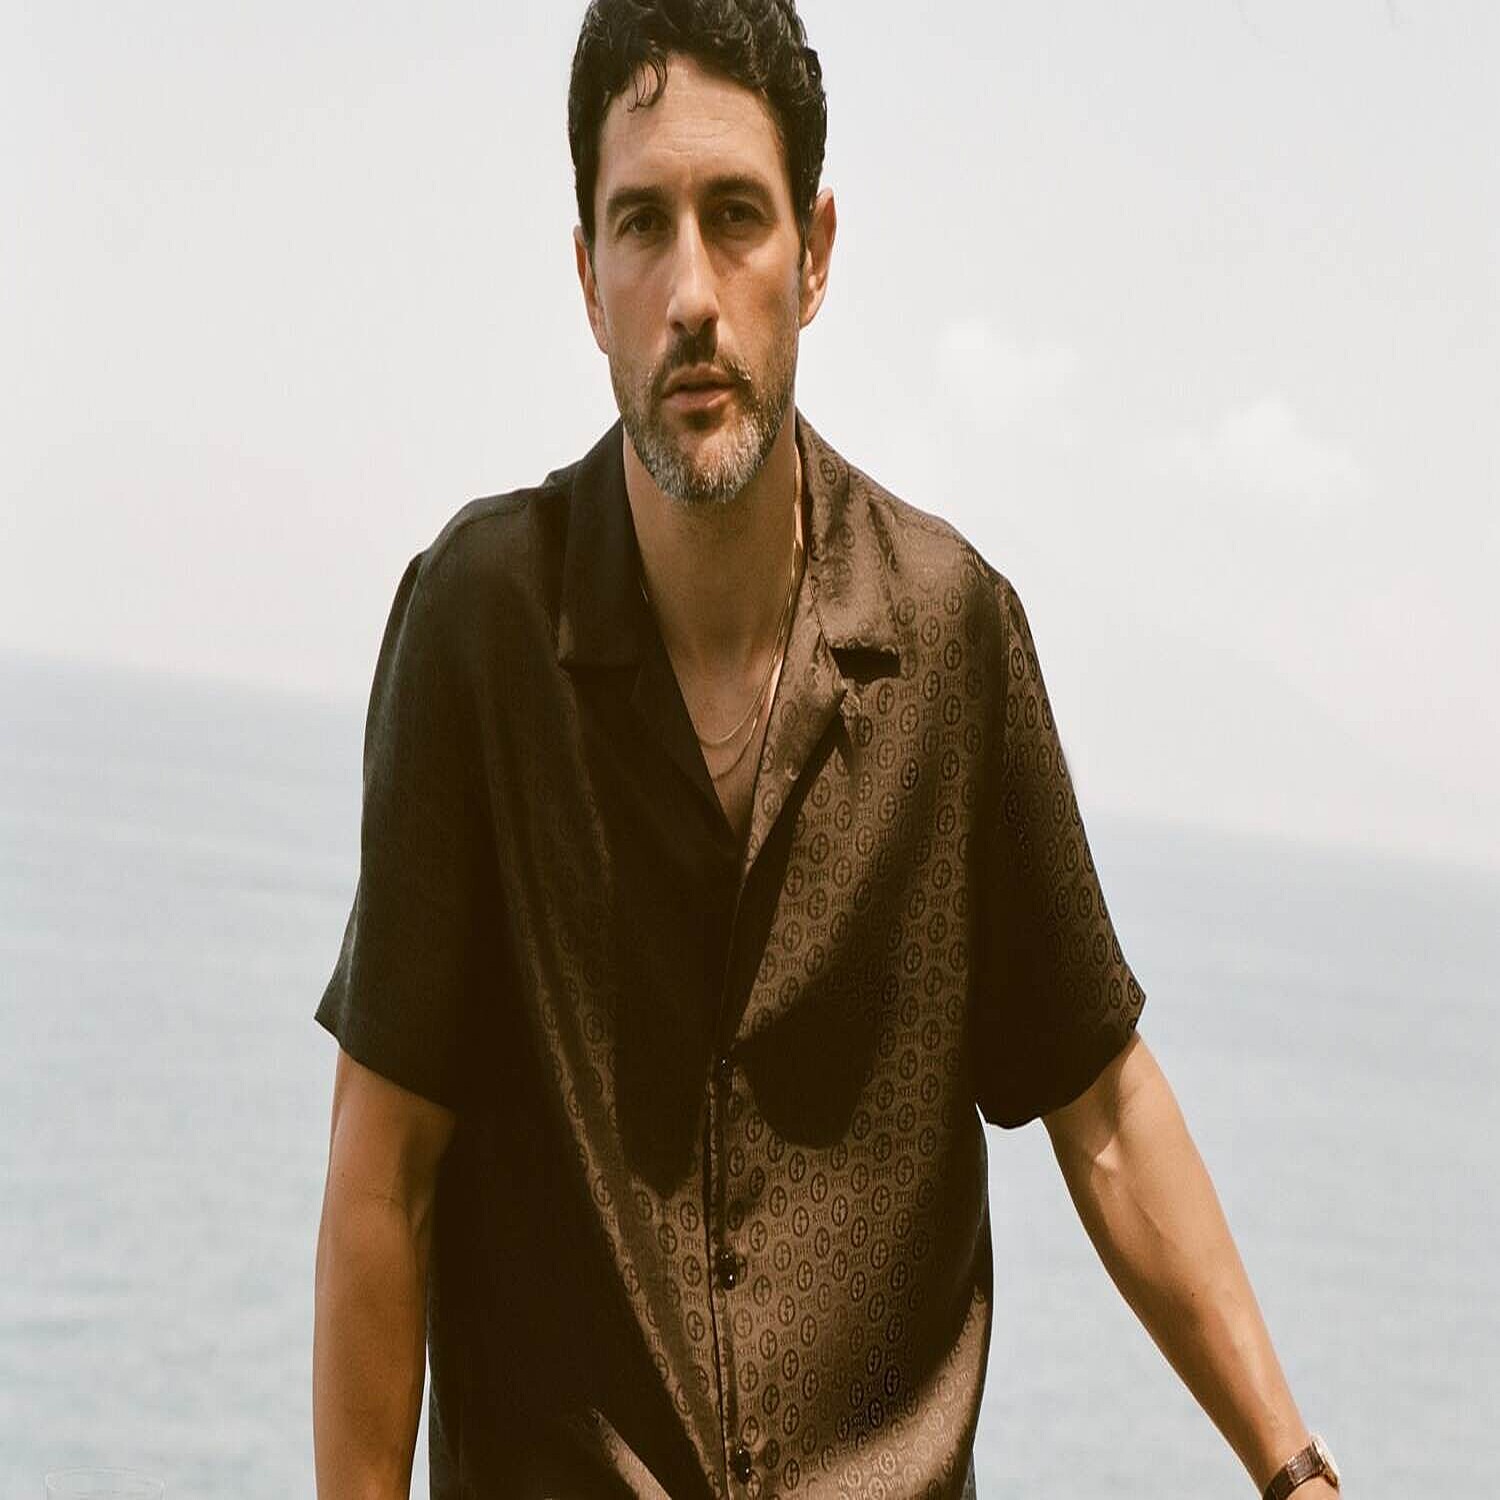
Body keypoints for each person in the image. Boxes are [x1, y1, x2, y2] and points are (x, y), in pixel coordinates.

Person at [312, 4, 1342, 1498]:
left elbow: (1108, 1108)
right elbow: (381, 1174)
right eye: (641, 225)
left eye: (737, 216)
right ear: (588, 280)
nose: (692, 293)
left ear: (816, 253)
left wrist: (1298, 1475)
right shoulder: (478, 627)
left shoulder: (953, 636)